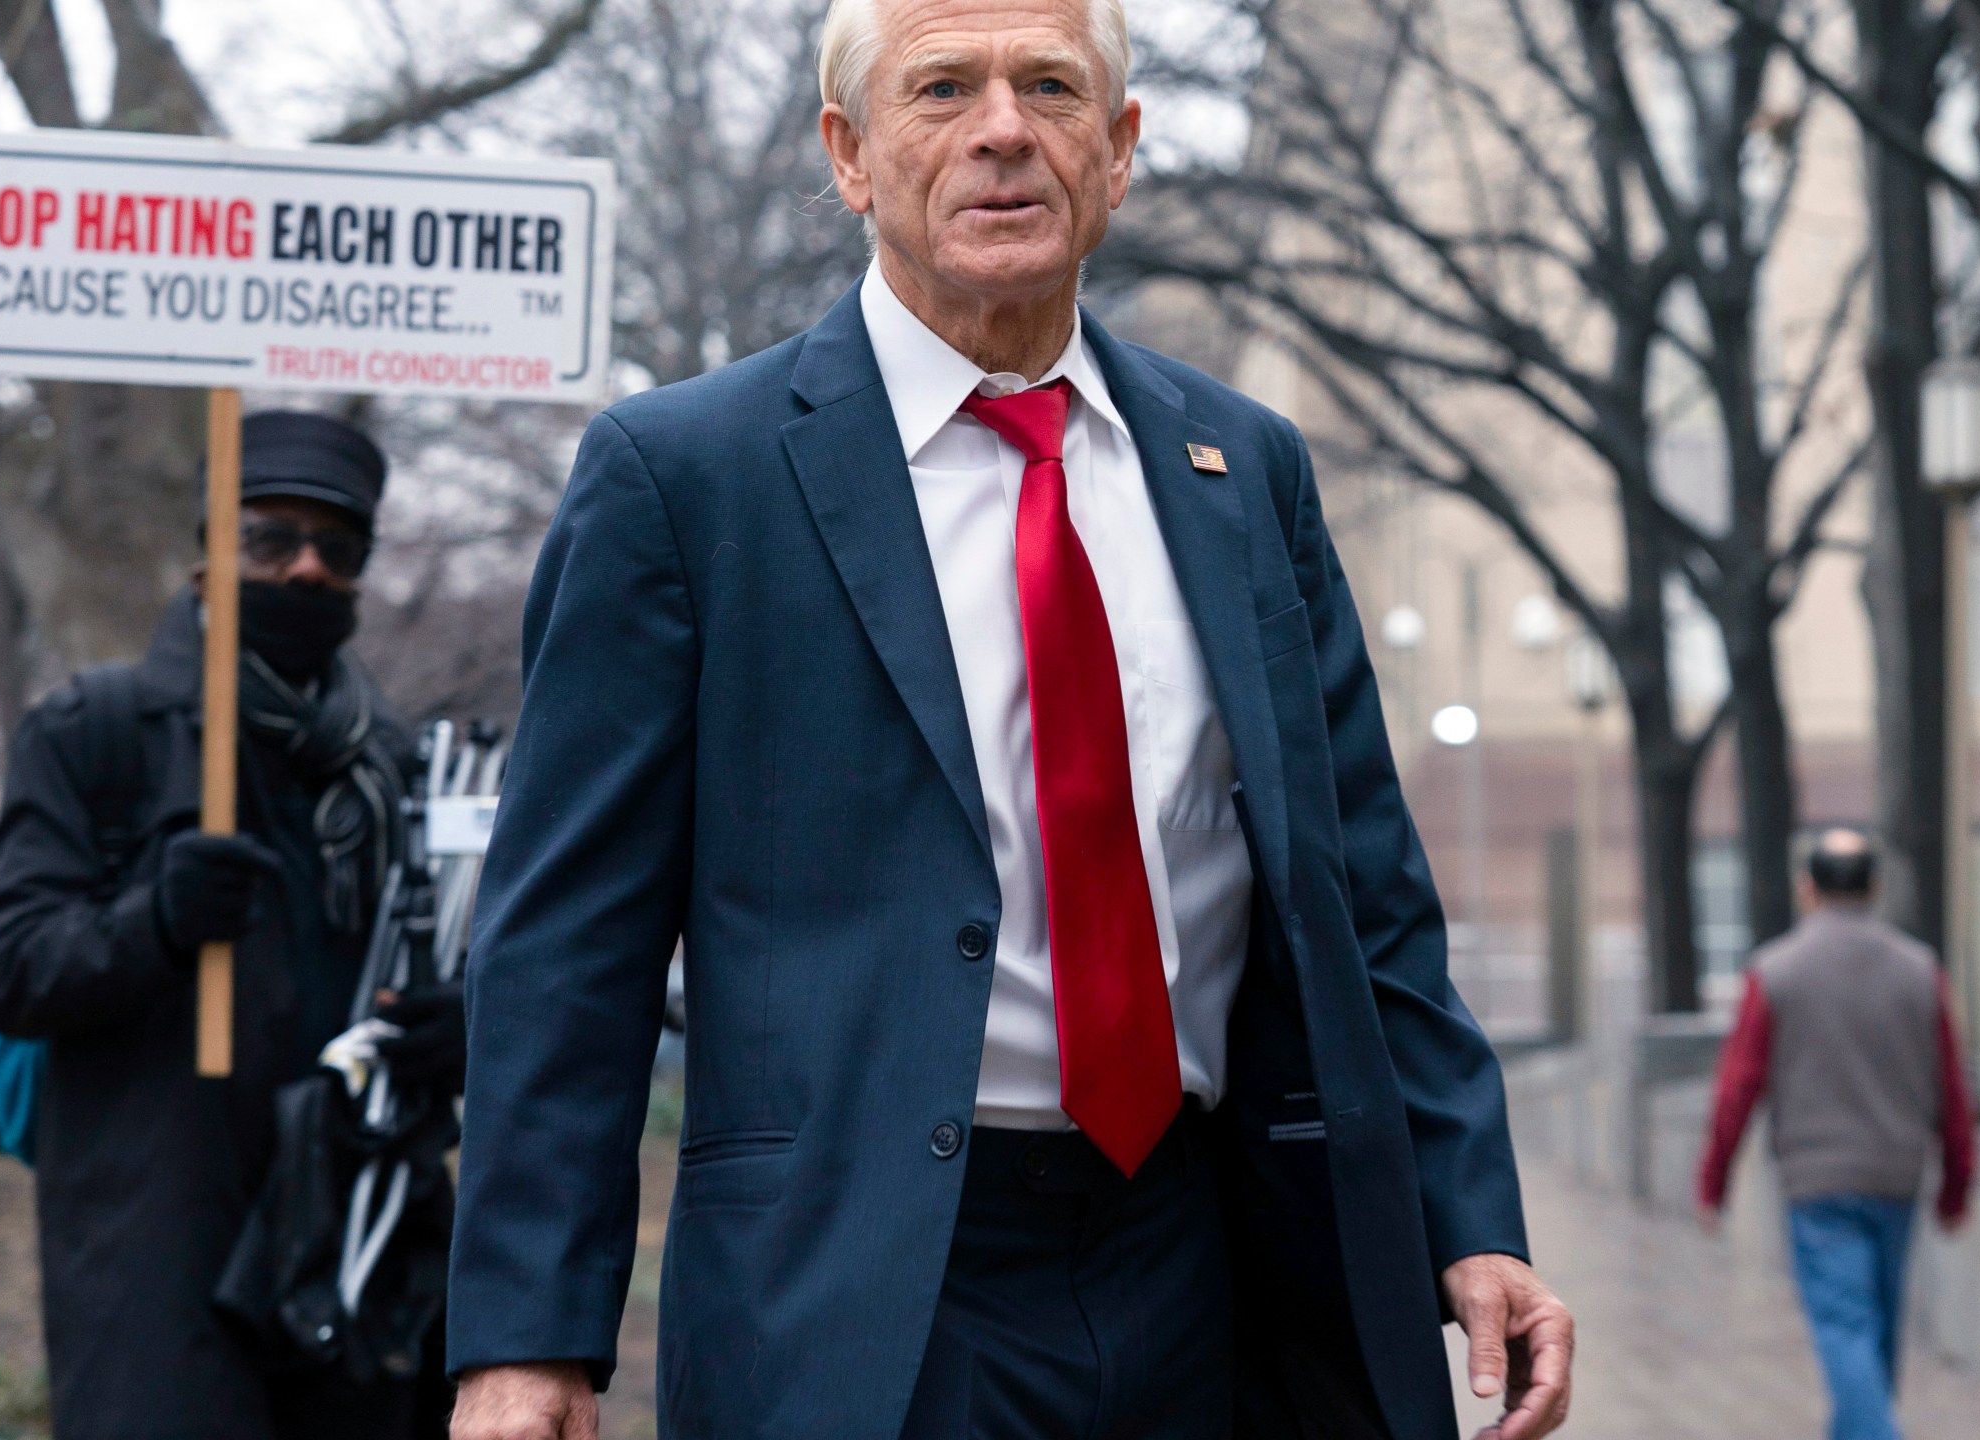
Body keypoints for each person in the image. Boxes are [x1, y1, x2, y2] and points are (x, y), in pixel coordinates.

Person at [443, 1, 1573, 1437]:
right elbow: (564, 946)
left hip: (1212, 1264)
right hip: (862, 1291)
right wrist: (526, 1339)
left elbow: (1361, 897)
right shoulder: (685, 483)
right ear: (851, 156)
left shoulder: (1241, 471)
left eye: (1051, 86)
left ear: (1118, 151)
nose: (1002, 130)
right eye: (942, 89)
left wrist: (1471, 1216)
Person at [0, 410, 463, 1440]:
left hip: (353, 1247)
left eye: (337, 550)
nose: (304, 572)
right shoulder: (96, 731)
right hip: (159, 1257)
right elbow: (10, 969)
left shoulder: (393, 766)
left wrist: (457, 1026)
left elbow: (451, 965)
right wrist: (153, 922)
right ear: (208, 558)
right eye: (270, 541)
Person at [1696, 828, 1976, 1440]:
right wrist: (1957, 1185)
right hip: (1897, 1176)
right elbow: (1952, 1086)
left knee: (1845, 1327)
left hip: (1816, 1181)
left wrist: (1713, 1182)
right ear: (1874, 887)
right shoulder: (1919, 970)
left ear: (1807, 889)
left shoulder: (1775, 972)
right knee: (1876, 1333)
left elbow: (1737, 1086)